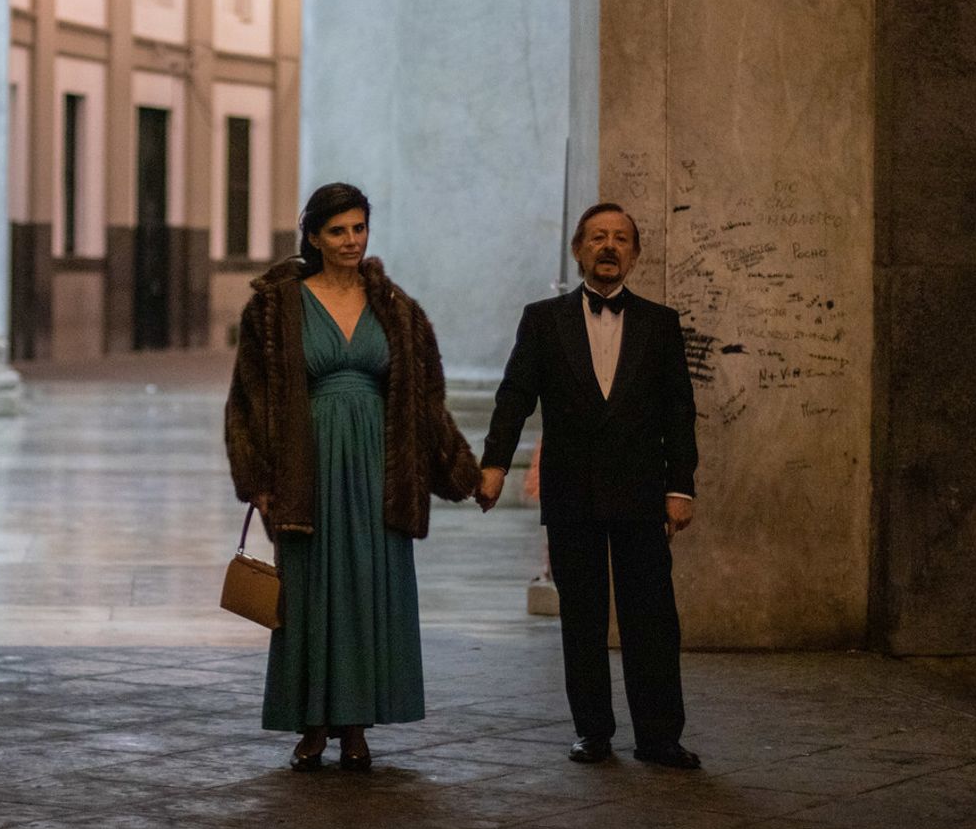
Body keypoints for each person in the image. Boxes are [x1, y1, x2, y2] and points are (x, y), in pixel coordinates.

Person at [225, 182, 480, 772]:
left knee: (372, 586)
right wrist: (257, 476)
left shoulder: (396, 306)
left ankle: (357, 723)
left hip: (379, 467)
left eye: (359, 228)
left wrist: (465, 474)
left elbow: (426, 400)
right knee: (312, 588)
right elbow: (248, 398)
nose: (350, 241)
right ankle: (313, 723)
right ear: (312, 235)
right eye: (337, 230)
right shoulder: (274, 306)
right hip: (304, 466)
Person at [477, 202, 701, 769]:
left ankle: (659, 737)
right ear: (578, 250)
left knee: (651, 618)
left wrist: (682, 486)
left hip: (641, 493)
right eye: (598, 237)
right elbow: (514, 397)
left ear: (635, 253)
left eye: (621, 238)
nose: (609, 247)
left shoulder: (660, 323)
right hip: (571, 493)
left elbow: (679, 412)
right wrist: (495, 464)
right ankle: (593, 732)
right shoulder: (543, 319)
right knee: (581, 619)